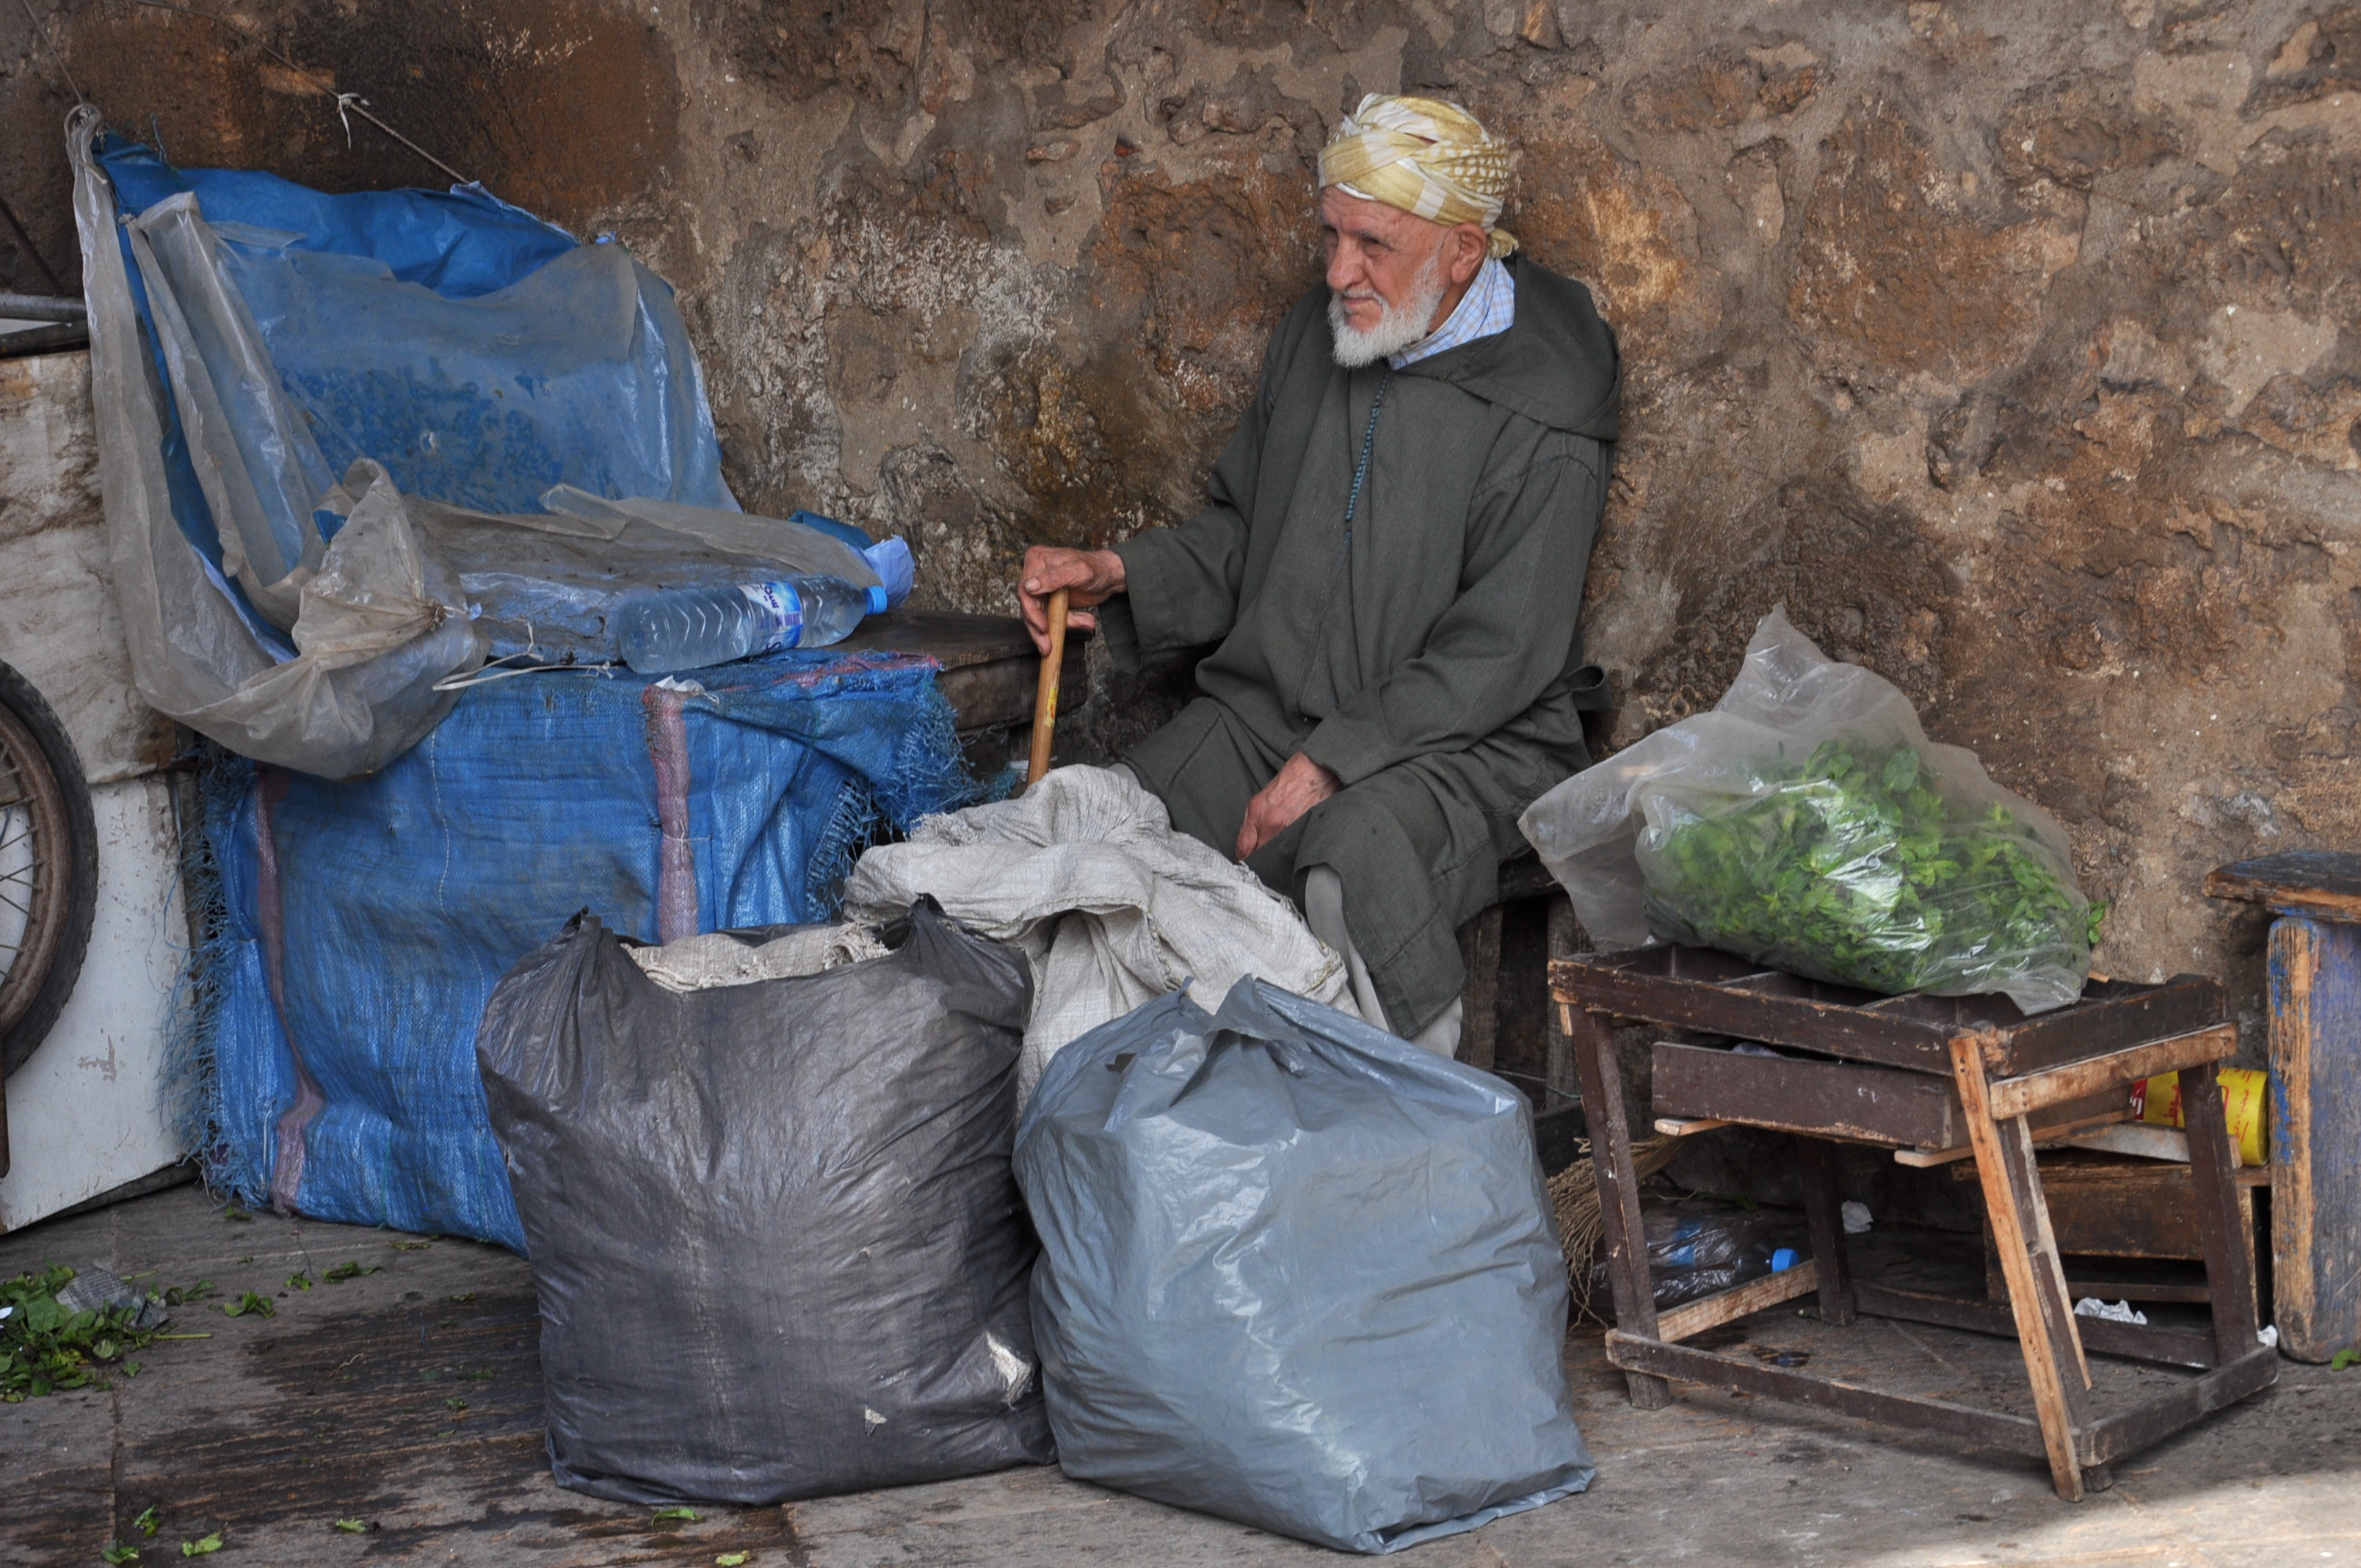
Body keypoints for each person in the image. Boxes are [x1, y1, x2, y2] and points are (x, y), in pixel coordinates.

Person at [1017, 94, 1618, 1056]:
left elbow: (1503, 649)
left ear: (1463, 253)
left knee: (1351, 854)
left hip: (1464, 744)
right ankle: (1144, 1117)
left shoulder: (1544, 407)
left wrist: (1336, 759)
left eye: (1373, 243)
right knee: (1106, 832)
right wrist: (1119, 571)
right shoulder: (1319, 334)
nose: (1340, 272)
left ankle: (1409, 1136)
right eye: (1331, 235)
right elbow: (1249, 535)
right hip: (1271, 711)